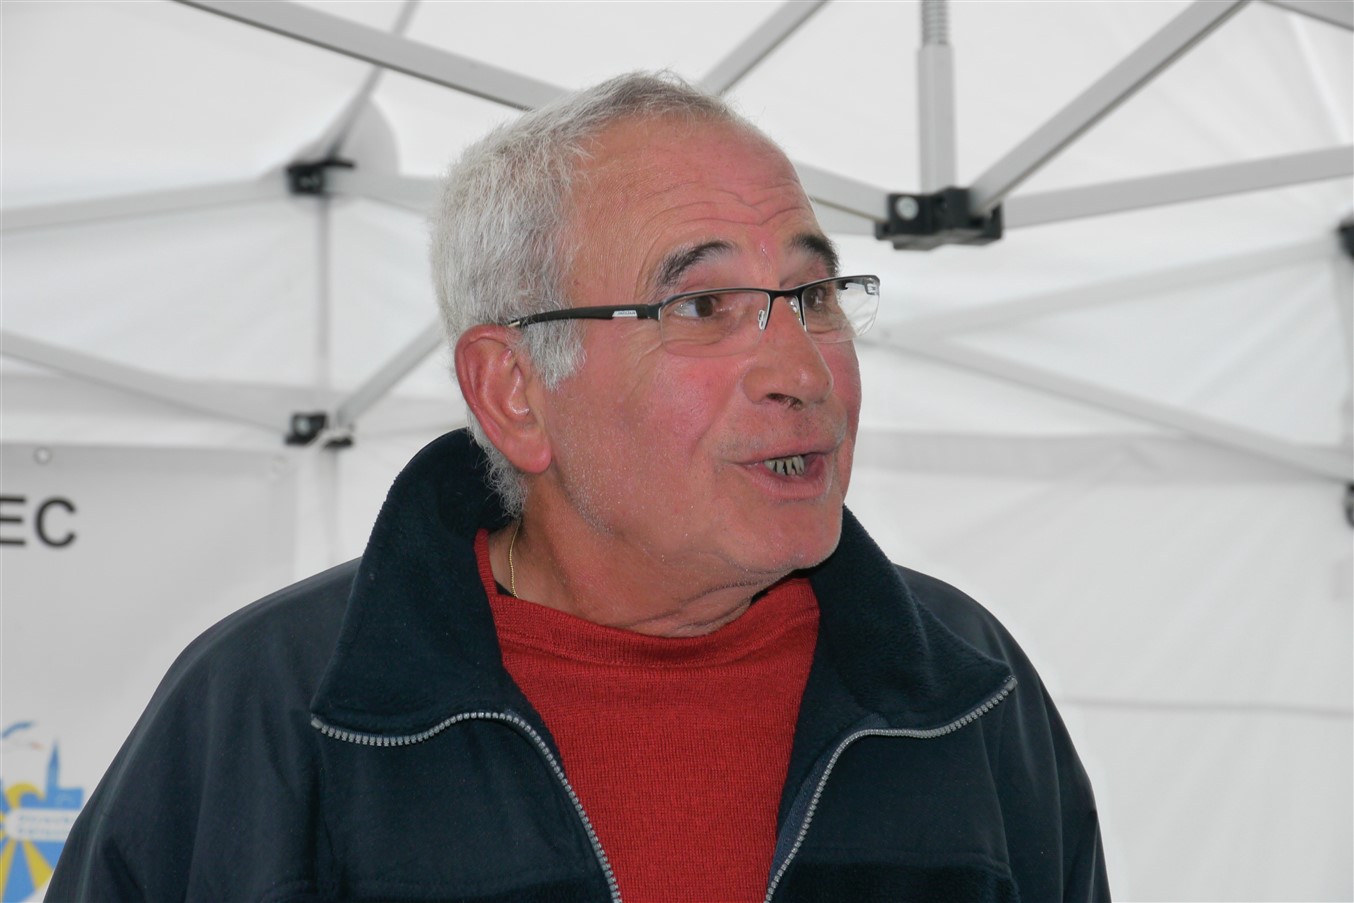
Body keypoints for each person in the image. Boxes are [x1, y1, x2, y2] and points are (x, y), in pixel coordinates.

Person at [50, 72, 1109, 902]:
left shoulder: (965, 688)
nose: (802, 370)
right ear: (514, 392)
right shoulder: (275, 711)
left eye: (815, 294)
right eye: (702, 308)